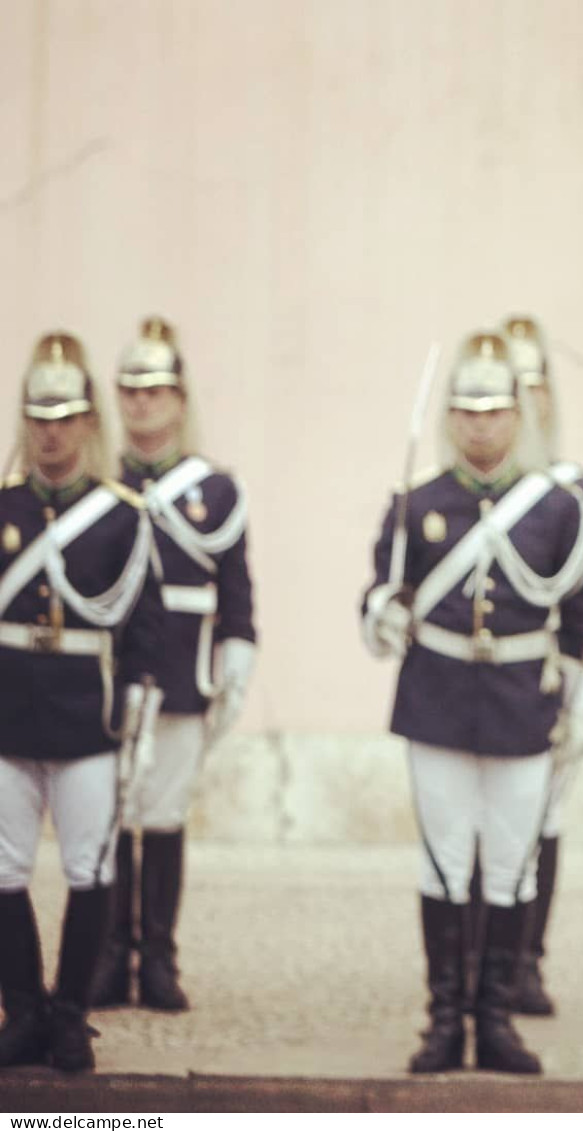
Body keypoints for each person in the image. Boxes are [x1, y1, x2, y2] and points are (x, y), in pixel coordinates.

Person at [360, 330, 583, 1075]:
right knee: (442, 864)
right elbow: (378, 595)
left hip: (518, 705)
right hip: (436, 701)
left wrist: (579, 700)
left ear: (518, 416)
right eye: (468, 411)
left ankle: (495, 1019)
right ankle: (444, 1021)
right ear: (450, 417)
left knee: (509, 868)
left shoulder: (557, 508)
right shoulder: (417, 503)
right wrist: (383, 612)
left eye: (495, 410)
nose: (481, 424)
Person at [0, 333, 163, 1071]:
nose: (51, 430)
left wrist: (138, 710)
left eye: (65, 414)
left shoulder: (122, 515)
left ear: (89, 421)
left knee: (88, 868)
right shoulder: (3, 507)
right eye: (39, 414)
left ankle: (71, 1014)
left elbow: (145, 626)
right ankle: (23, 1009)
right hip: (8, 714)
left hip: (86, 719)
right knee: (3, 869)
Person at [89, 316, 257, 1012]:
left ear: (180, 400)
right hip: (106, 669)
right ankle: (107, 955)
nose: (141, 404)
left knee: (161, 813)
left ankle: (158, 958)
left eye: (154, 391)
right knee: (107, 814)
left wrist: (236, 654)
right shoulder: (101, 481)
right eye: (129, 391)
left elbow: (236, 585)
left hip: (181, 668)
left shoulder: (213, 490)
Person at [497, 314, 583, 1016]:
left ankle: (524, 962)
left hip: (559, 670)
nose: (525, 396)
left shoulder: (578, 490)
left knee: (540, 816)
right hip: (489, 676)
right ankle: (480, 962)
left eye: (533, 380)